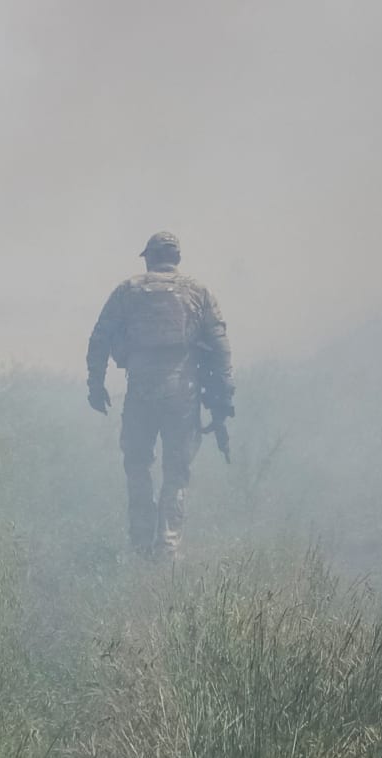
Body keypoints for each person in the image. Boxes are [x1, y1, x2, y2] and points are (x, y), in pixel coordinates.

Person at [85, 231, 234, 558]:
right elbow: (220, 346)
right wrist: (223, 400)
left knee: (137, 464)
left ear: (150, 258)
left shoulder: (128, 290)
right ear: (177, 258)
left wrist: (95, 384)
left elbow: (100, 336)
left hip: (141, 392)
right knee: (176, 472)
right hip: (182, 392)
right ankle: (168, 548)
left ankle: (140, 542)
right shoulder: (200, 291)